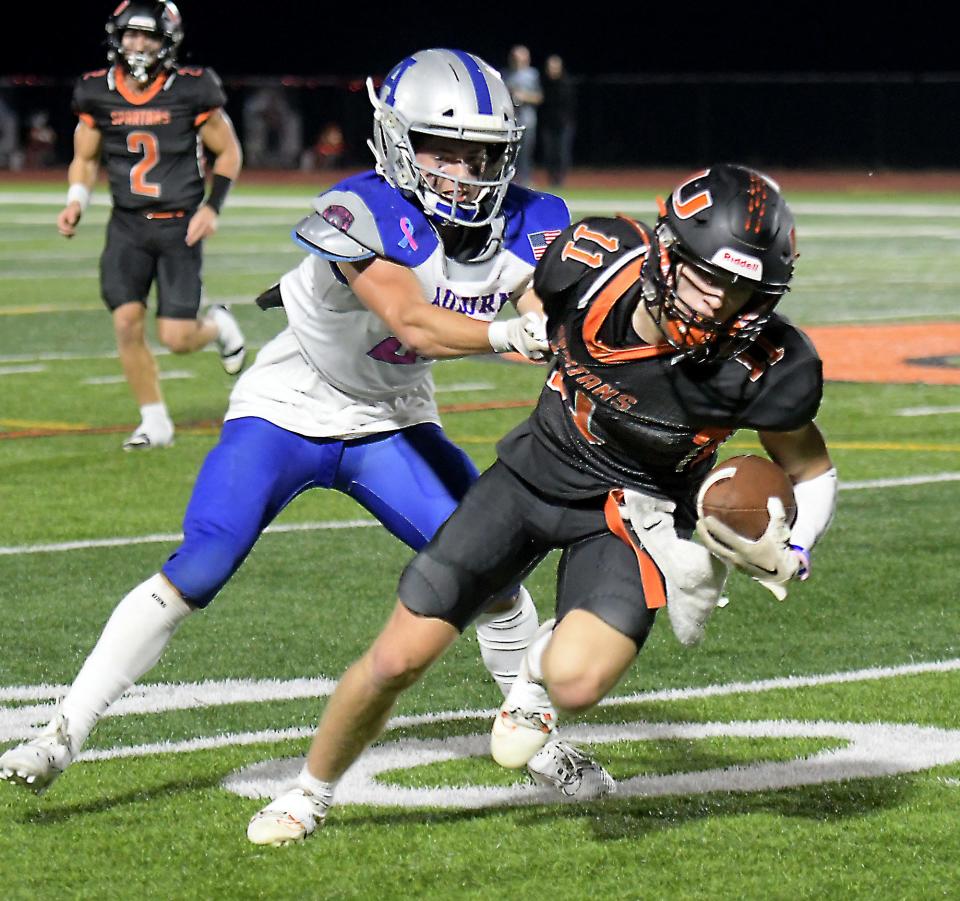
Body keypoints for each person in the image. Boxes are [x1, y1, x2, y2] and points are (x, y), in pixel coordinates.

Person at [0, 48, 588, 801]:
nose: (465, 170)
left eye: (482, 153)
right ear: (399, 142)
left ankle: (536, 743)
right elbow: (413, 323)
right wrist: (515, 337)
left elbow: (542, 307)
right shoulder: (363, 207)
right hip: (291, 405)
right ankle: (61, 730)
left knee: (498, 574)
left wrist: (560, 330)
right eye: (445, 148)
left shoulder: (528, 219)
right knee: (203, 562)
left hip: (390, 420)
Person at [244, 164, 839, 846]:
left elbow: (809, 465)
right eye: (706, 275)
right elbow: (517, 298)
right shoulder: (592, 262)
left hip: (630, 512)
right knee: (395, 661)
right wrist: (519, 328)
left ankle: (532, 676)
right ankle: (308, 792)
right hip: (531, 475)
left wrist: (799, 544)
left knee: (577, 682)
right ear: (664, 251)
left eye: (740, 289)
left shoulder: (768, 363)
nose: (714, 303)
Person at [57, 1, 245, 451]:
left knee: (177, 338)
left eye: (148, 36)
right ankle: (154, 421)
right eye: (130, 35)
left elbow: (230, 153)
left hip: (180, 224)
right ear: (115, 37)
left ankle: (218, 326)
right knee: (126, 322)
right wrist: (76, 201)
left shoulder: (193, 89)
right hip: (126, 223)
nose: (138, 45)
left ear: (167, 42)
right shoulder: (95, 91)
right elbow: (84, 159)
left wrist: (211, 208)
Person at [503, 45, 541, 186]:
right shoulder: (505, 74)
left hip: (527, 120)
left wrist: (524, 97)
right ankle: (507, 181)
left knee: (526, 153)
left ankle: (525, 181)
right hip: (510, 122)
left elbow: (539, 97)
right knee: (508, 153)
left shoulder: (532, 75)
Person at [539, 55, 575, 187]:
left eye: (554, 67)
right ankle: (552, 179)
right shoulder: (544, 83)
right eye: (549, 67)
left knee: (562, 153)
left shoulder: (566, 82)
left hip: (563, 124)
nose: (551, 70)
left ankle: (560, 180)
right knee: (549, 153)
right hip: (548, 124)